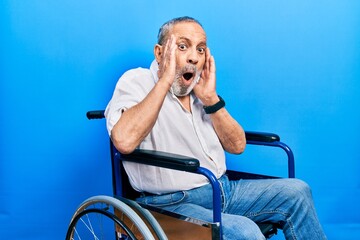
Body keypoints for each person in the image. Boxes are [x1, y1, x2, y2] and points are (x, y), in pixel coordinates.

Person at [105, 16, 326, 240]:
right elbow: (123, 141)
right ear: (160, 53)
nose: (193, 57)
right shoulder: (137, 81)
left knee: (297, 192)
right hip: (173, 203)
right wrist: (165, 81)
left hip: (223, 191)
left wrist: (210, 99)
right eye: (183, 47)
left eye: (201, 50)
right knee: (245, 231)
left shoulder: (201, 91)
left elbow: (238, 145)